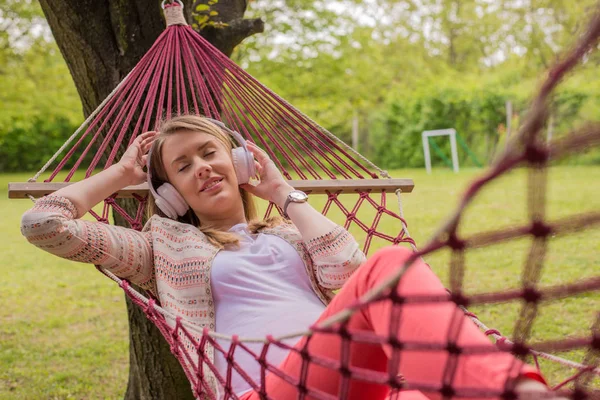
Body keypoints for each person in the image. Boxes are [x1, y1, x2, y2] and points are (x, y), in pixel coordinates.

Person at [21, 115, 554, 400]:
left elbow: (350, 271)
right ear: (171, 195)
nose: (203, 167)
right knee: (390, 264)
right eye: (182, 166)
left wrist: (282, 191)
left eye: (210, 152)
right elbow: (45, 226)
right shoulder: (163, 247)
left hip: (353, 379)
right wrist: (120, 176)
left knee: (392, 265)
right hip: (268, 391)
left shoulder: (286, 229)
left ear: (237, 161)